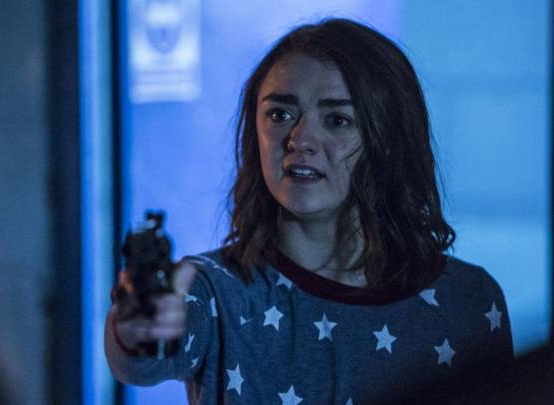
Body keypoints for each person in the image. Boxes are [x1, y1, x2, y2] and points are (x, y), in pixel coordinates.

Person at [105, 18, 513, 404]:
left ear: (388, 139)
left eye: (337, 120)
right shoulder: (214, 291)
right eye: (280, 115)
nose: (299, 139)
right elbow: (140, 360)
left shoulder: (468, 300)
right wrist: (138, 328)